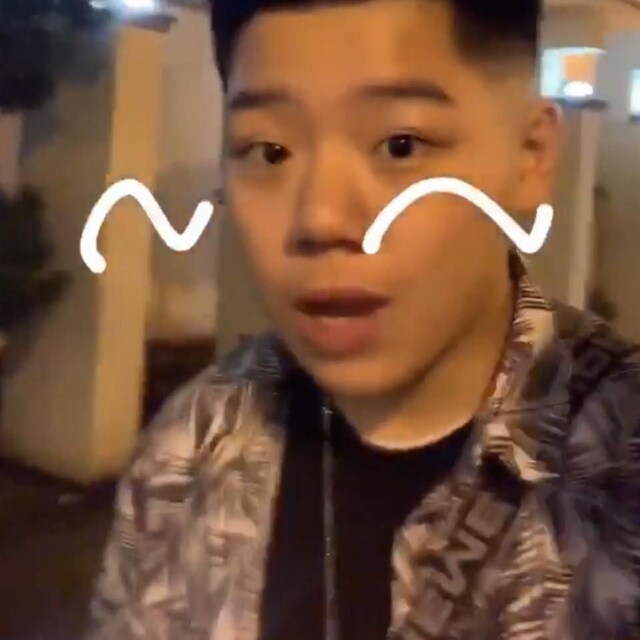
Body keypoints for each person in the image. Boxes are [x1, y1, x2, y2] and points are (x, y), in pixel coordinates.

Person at [87, 1, 640, 639]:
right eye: (270, 152)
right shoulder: (191, 445)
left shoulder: (619, 460)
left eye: (400, 146)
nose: (319, 219)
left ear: (531, 154)